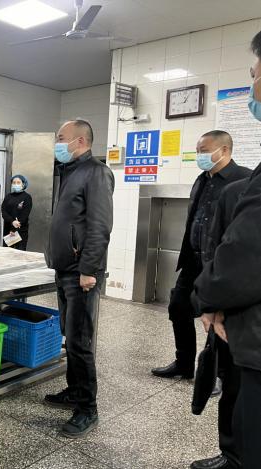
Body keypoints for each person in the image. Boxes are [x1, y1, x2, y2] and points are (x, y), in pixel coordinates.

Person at [193, 31, 261, 469]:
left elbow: (245, 252)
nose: (252, 83)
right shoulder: (204, 181)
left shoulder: (243, 180)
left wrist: (211, 296)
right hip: (221, 289)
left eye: (255, 73)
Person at [151, 131, 251, 381]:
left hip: (220, 264)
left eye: (204, 151)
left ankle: (216, 373)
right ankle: (184, 363)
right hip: (193, 260)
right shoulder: (201, 180)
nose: (199, 156)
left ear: (224, 150)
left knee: (217, 318)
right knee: (178, 308)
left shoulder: (244, 180)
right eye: (198, 151)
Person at [43, 119, 114, 438]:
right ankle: (74, 391)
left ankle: (88, 409)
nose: (57, 143)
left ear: (80, 141)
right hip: (65, 269)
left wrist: (88, 269)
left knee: (80, 340)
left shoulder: (96, 172)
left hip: (81, 273)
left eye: (61, 138)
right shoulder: (70, 172)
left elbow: (100, 226)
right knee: (69, 336)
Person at [1, 175, 32, 251]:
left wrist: (15, 227)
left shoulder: (27, 197)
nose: (16, 184)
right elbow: (4, 211)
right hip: (8, 231)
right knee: (7, 253)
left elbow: (25, 214)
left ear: (23, 184)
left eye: (18, 182)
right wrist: (12, 221)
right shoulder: (8, 196)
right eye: (14, 182)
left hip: (20, 231)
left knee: (19, 253)